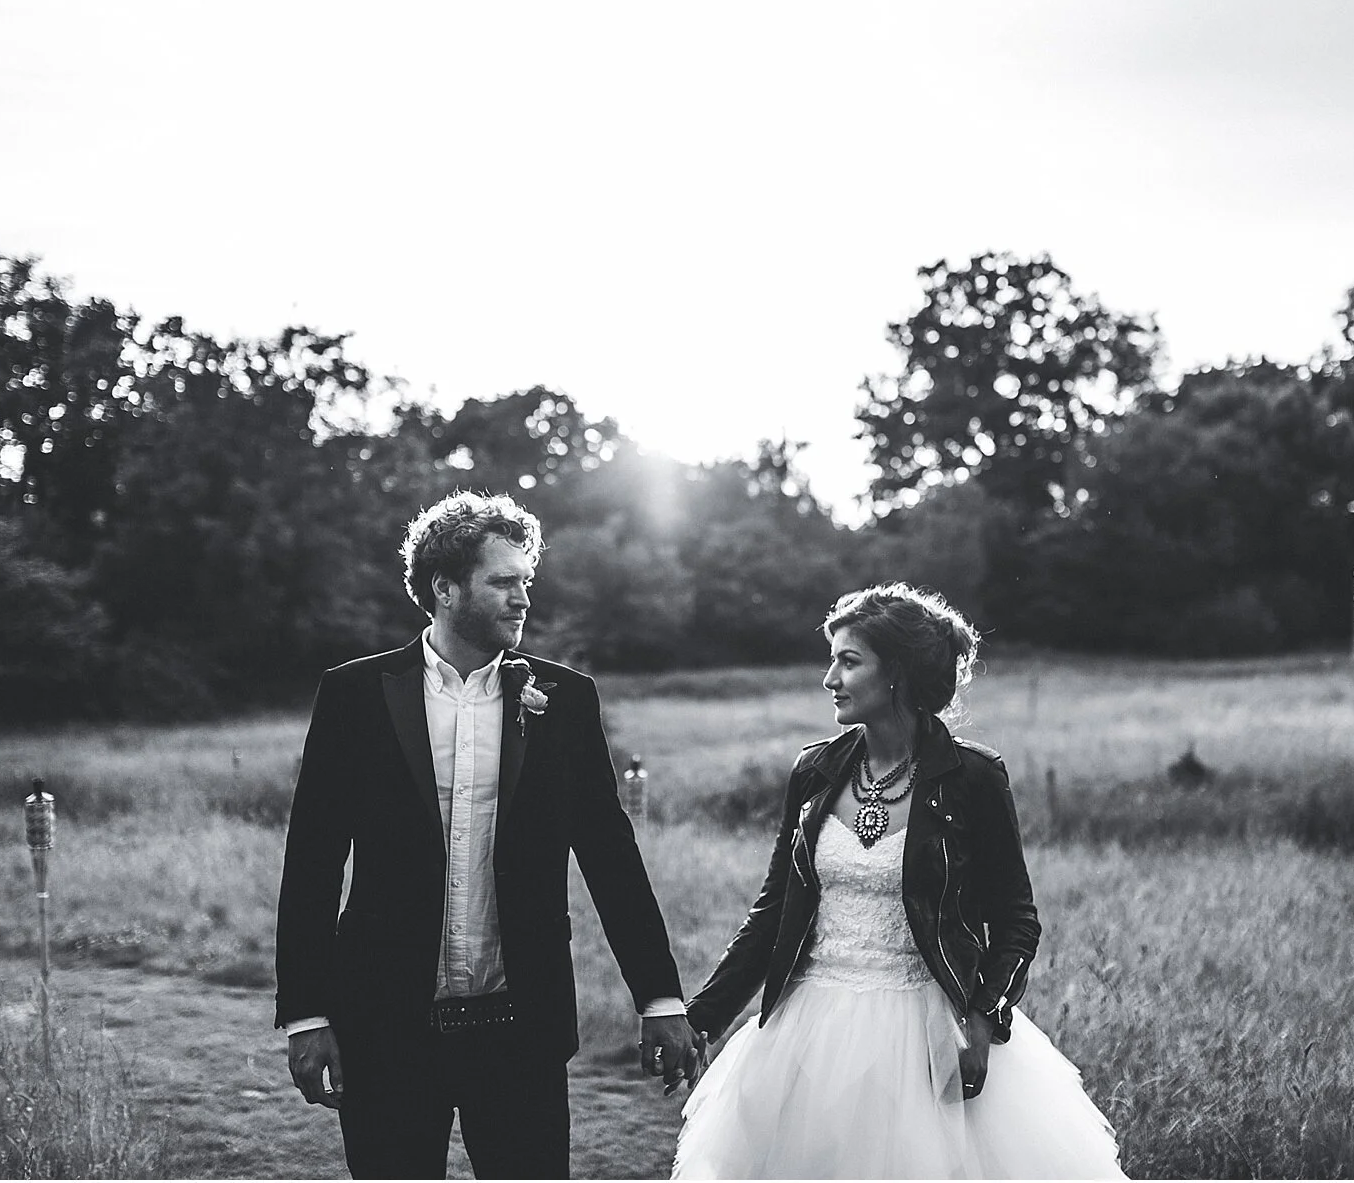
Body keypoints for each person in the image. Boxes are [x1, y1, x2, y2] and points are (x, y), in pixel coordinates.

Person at [276, 491, 701, 1179]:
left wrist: (659, 997)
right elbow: (313, 861)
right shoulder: (355, 695)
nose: (523, 598)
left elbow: (610, 854)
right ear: (444, 587)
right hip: (385, 1026)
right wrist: (305, 1013)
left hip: (520, 1030)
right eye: (504, 581)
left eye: (526, 582)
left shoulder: (565, 700)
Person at [674, 583, 1125, 1179]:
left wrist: (984, 1020)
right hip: (808, 1033)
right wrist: (700, 1018)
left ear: (899, 674)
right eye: (831, 659)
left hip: (929, 1030)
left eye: (849, 660)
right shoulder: (814, 770)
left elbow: (1016, 919)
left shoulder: (973, 777)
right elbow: (775, 909)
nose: (829, 678)